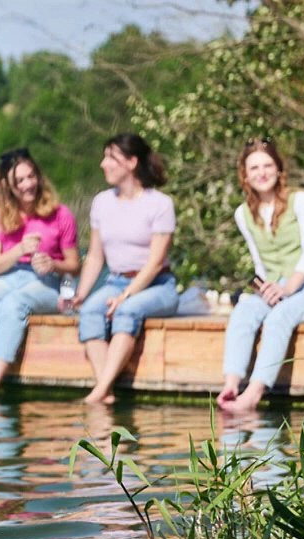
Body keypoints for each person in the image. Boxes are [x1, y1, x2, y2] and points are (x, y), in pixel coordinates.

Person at [217, 138, 304, 412]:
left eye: (268, 165)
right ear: (244, 175)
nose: (262, 172)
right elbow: (261, 265)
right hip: (277, 285)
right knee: (245, 310)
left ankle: (254, 394)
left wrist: (288, 289)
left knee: (280, 315)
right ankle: (231, 384)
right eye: (254, 167)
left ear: (279, 168)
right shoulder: (242, 214)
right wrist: (265, 290)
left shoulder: (301, 200)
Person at [62, 133, 178, 405]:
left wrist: (126, 295)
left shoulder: (160, 204)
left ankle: (99, 391)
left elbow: (155, 262)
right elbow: (94, 257)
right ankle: (107, 392)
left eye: (110, 158)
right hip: (115, 282)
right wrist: (81, 293)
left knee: (126, 310)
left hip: (157, 285)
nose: (103, 164)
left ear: (131, 162)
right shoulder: (102, 202)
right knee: (91, 309)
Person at [0, 148, 79, 403]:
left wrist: (53, 264)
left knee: (13, 304)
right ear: (7, 186)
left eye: (31, 176)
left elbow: (74, 266)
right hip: (9, 276)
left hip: (47, 283)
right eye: (20, 181)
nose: (28, 185)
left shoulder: (60, 214)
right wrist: (19, 250)